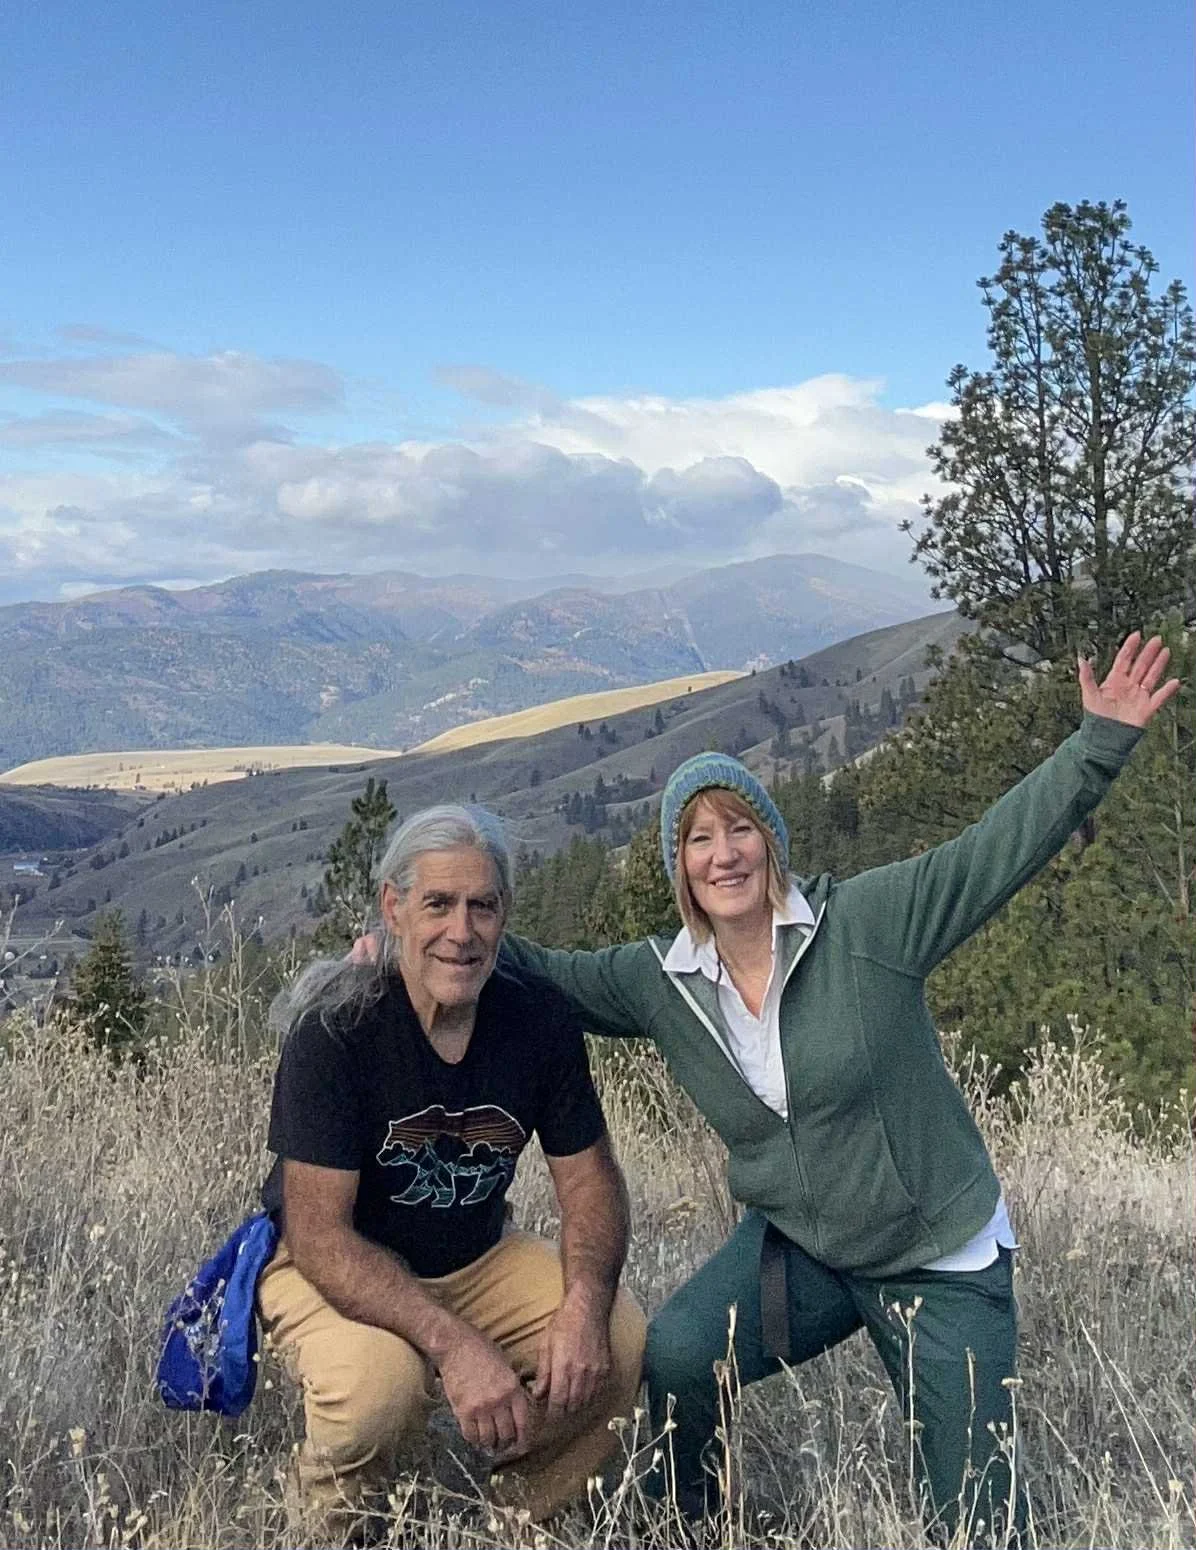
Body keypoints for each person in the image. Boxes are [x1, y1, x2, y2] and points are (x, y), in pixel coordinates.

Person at [493, 631, 1180, 1545]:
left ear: (770, 840)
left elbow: (991, 854)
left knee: (975, 1522)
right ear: (680, 867)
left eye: (740, 828)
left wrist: (1097, 743)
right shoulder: (658, 979)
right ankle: (689, 1520)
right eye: (699, 838)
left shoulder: (868, 925)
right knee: (683, 1355)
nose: (723, 853)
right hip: (806, 1252)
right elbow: (546, 976)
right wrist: (447, 927)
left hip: (935, 1257)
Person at [260, 804, 646, 1542]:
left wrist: (586, 1300)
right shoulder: (336, 1030)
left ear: (505, 916)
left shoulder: (538, 1020)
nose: (460, 932)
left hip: (474, 1256)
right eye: (438, 903)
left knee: (617, 1340)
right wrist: (455, 1345)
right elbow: (318, 1237)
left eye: (483, 906)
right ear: (393, 907)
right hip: (327, 1268)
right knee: (380, 1389)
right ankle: (331, 1526)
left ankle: (524, 1517)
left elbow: (592, 1182)